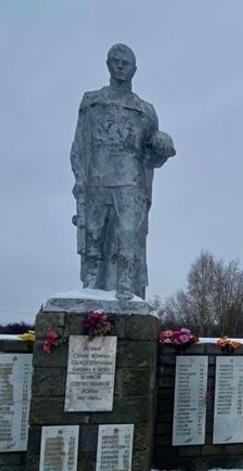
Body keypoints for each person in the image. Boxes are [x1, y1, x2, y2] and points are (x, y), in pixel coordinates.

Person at [70, 43, 175, 300]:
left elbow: (152, 156)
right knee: (94, 235)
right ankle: (91, 288)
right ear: (108, 64)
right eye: (115, 61)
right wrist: (80, 180)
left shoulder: (145, 110)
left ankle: (127, 288)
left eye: (125, 63)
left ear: (134, 70)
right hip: (97, 179)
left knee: (128, 236)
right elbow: (79, 146)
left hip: (131, 182)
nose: (120, 66)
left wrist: (162, 144)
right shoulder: (92, 102)